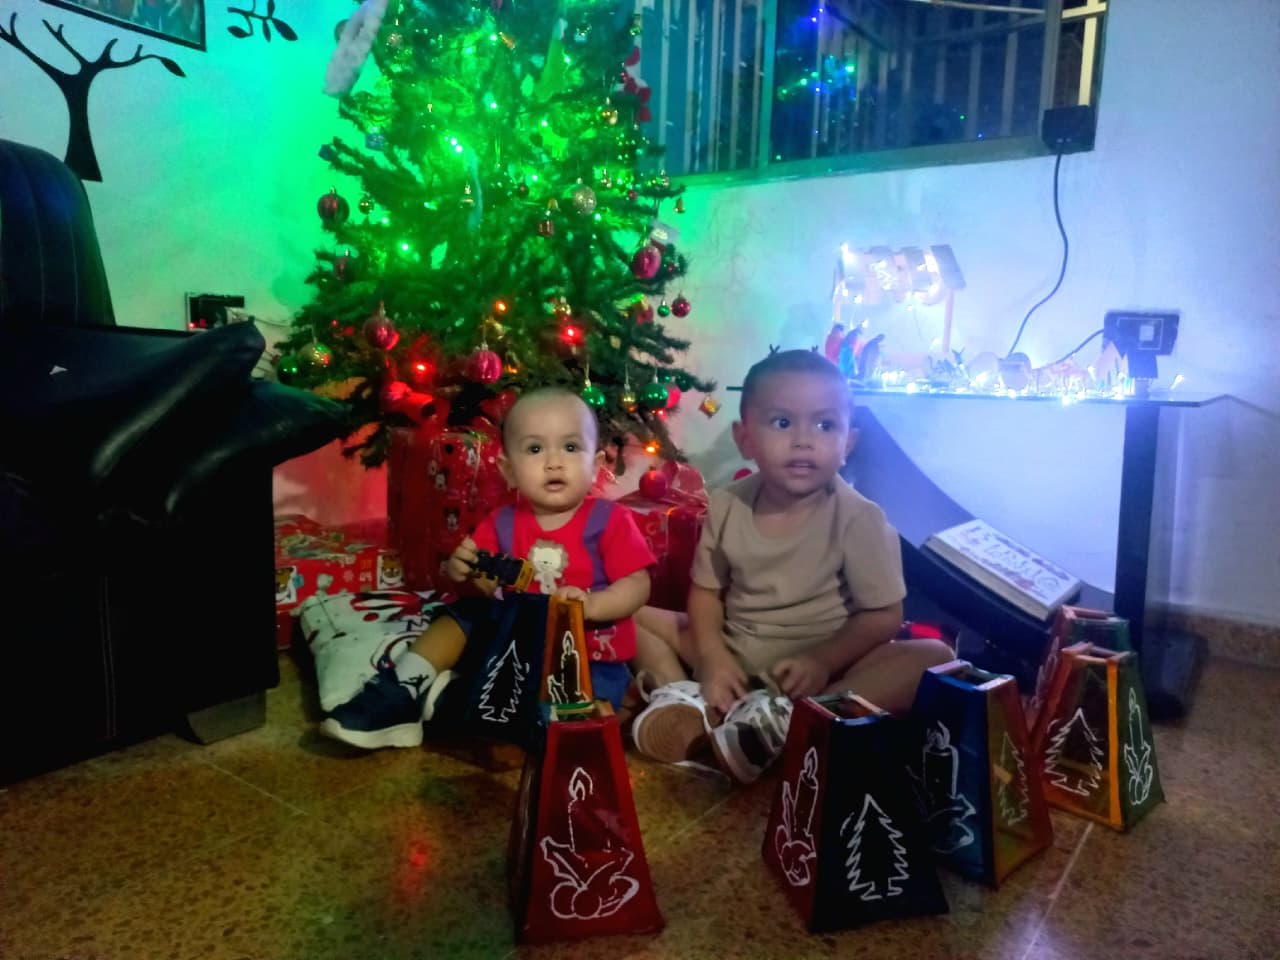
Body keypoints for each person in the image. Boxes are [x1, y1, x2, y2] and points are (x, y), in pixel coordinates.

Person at [630, 350, 952, 783]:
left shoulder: (859, 519)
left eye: (825, 425)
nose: (804, 440)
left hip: (818, 673)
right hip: (736, 654)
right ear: (745, 439)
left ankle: (793, 723)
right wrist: (712, 656)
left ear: (847, 443)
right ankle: (687, 701)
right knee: (630, 614)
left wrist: (822, 660)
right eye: (782, 423)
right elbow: (705, 593)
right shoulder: (726, 504)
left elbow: (884, 616)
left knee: (933, 657)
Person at [321, 388, 655, 749]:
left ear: (596, 465)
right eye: (535, 449)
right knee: (462, 614)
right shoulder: (502, 522)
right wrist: (463, 572)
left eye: (571, 448)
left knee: (562, 730)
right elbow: (479, 590)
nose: (554, 462)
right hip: (509, 647)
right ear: (508, 470)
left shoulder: (610, 521)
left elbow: (637, 584)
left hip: (583, 658)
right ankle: (403, 687)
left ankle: (457, 702)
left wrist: (594, 606)